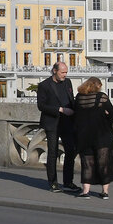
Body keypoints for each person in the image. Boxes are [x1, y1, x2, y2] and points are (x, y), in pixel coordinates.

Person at [73, 77, 113, 200]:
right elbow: (112, 116)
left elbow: (76, 115)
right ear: (98, 86)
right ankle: (105, 192)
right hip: (102, 135)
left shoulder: (79, 97)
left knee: (87, 164)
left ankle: (85, 191)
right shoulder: (102, 97)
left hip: (84, 136)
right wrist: (105, 116)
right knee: (103, 163)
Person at [37, 61, 80, 193]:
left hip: (67, 122)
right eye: (63, 72)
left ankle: (68, 182)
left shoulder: (67, 82)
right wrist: (60, 109)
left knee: (71, 150)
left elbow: (71, 100)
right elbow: (41, 106)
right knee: (53, 153)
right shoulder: (44, 85)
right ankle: (53, 183)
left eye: (66, 72)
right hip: (52, 123)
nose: (65, 75)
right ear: (55, 71)